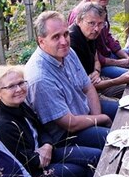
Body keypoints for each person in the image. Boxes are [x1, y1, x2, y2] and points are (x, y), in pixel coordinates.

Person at [24, 11, 116, 160]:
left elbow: (88, 87)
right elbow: (70, 124)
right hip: (66, 135)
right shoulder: (40, 77)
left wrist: (96, 118)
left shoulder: (67, 52)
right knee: (112, 139)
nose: (64, 41)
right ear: (41, 41)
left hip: (84, 111)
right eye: (56, 37)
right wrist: (101, 119)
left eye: (66, 34)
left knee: (122, 112)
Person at [0, 65, 94, 177]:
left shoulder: (19, 105)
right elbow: (25, 162)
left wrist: (47, 146)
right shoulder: (3, 124)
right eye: (11, 86)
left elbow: (42, 129)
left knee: (94, 156)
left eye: (21, 83)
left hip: (47, 151)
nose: (19, 89)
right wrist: (40, 156)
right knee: (80, 171)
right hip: (35, 173)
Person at [68, 0, 129, 79]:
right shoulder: (80, 15)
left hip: (107, 55)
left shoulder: (100, 8)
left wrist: (124, 55)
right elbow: (90, 55)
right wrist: (120, 62)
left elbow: (107, 36)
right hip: (97, 68)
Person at [69, 1, 129, 98]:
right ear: (78, 20)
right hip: (84, 95)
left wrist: (96, 71)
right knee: (125, 105)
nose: (96, 29)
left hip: (98, 80)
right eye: (91, 23)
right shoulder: (72, 44)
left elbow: (96, 59)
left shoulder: (90, 34)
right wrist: (119, 80)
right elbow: (85, 86)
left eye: (100, 24)